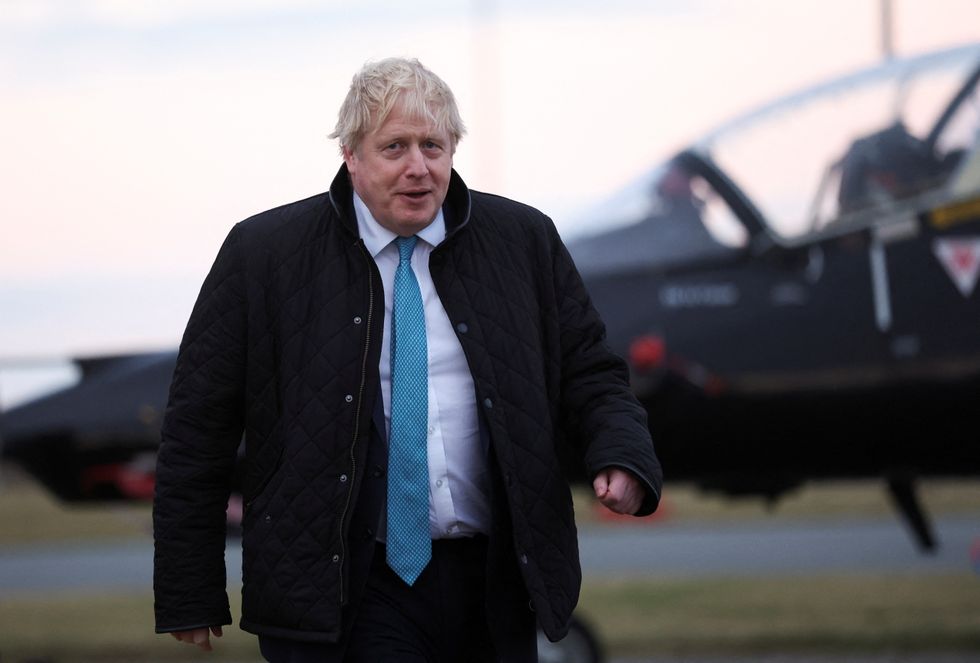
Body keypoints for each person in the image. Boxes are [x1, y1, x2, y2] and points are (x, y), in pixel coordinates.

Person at [153, 57, 662, 662]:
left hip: (494, 581)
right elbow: (197, 427)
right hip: (345, 586)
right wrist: (190, 587)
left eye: (434, 146)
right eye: (394, 147)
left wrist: (623, 454)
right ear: (351, 154)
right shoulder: (264, 255)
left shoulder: (523, 242)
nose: (418, 168)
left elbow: (592, 374)